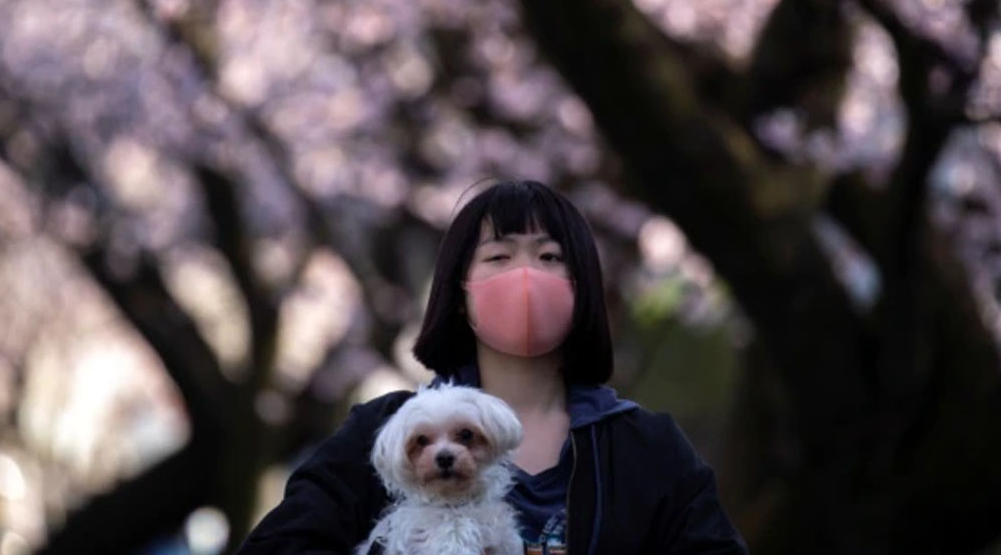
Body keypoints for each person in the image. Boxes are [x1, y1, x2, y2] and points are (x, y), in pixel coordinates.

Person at [236, 180, 748, 555]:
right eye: (499, 257)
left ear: (585, 287)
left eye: (550, 258)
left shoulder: (646, 449)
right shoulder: (380, 433)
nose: (525, 276)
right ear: (460, 292)